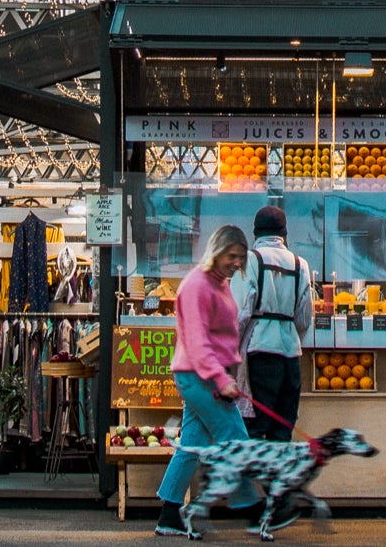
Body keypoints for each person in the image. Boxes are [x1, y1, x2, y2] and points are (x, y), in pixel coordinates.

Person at [154, 225, 266, 538]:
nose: (236, 262)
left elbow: (221, 337)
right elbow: (198, 342)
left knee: (192, 445)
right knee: (235, 438)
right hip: (199, 376)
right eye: (231, 256)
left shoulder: (220, 284)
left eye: (240, 258)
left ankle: (168, 515)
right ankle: (252, 511)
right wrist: (221, 379)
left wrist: (229, 374)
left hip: (207, 376)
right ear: (216, 251)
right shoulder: (197, 286)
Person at [233, 205, 313, 446]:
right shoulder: (301, 265)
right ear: (284, 234)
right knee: (282, 430)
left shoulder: (250, 260)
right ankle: (277, 482)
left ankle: (253, 484)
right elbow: (304, 318)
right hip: (290, 356)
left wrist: (229, 354)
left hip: (260, 353)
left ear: (255, 233)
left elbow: (237, 315)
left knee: (255, 428)